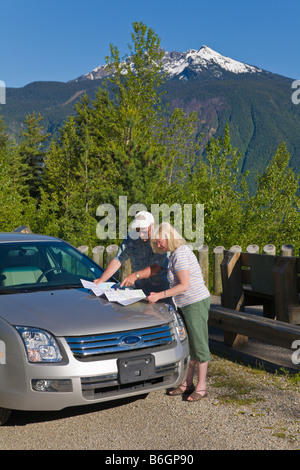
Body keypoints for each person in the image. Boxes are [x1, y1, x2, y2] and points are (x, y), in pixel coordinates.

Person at [147, 222, 211, 402]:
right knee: (189, 345)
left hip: (195, 302)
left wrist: (160, 295)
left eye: (160, 241)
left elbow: (184, 285)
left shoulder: (181, 254)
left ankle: (202, 386)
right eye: (156, 243)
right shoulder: (174, 254)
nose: (159, 245)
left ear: (169, 237)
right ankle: (186, 383)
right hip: (185, 303)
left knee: (199, 345)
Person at [94, 211, 170, 296]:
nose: (141, 235)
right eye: (138, 231)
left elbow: (157, 267)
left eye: (144, 231)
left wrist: (135, 276)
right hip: (140, 292)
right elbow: (118, 260)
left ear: (152, 225)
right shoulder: (130, 239)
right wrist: (101, 280)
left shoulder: (160, 239)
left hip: (162, 292)